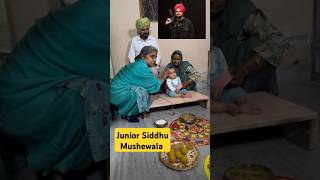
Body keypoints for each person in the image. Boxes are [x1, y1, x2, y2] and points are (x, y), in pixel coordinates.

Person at [0, 0, 108, 179]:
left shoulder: (100, 8)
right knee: (103, 97)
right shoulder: (101, 13)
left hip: (18, 87)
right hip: (22, 100)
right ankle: (61, 171)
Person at [212, 0, 290, 95]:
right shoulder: (195, 12)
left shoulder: (241, 12)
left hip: (239, 83)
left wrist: (244, 69)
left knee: (254, 43)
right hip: (209, 83)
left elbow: (278, 42)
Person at [111, 46, 168, 122]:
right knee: (142, 91)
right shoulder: (141, 66)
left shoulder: (139, 64)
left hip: (113, 92)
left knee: (141, 89)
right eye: (152, 56)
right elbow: (154, 85)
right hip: (117, 94)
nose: (154, 60)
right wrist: (164, 76)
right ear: (142, 56)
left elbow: (150, 81)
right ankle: (128, 113)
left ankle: (120, 106)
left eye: (155, 57)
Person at [211, 47, 261, 116]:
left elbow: (225, 73)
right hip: (202, 93)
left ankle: (240, 107)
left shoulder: (216, 52)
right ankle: (226, 107)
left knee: (239, 93)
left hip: (219, 91)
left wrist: (223, 81)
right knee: (202, 103)